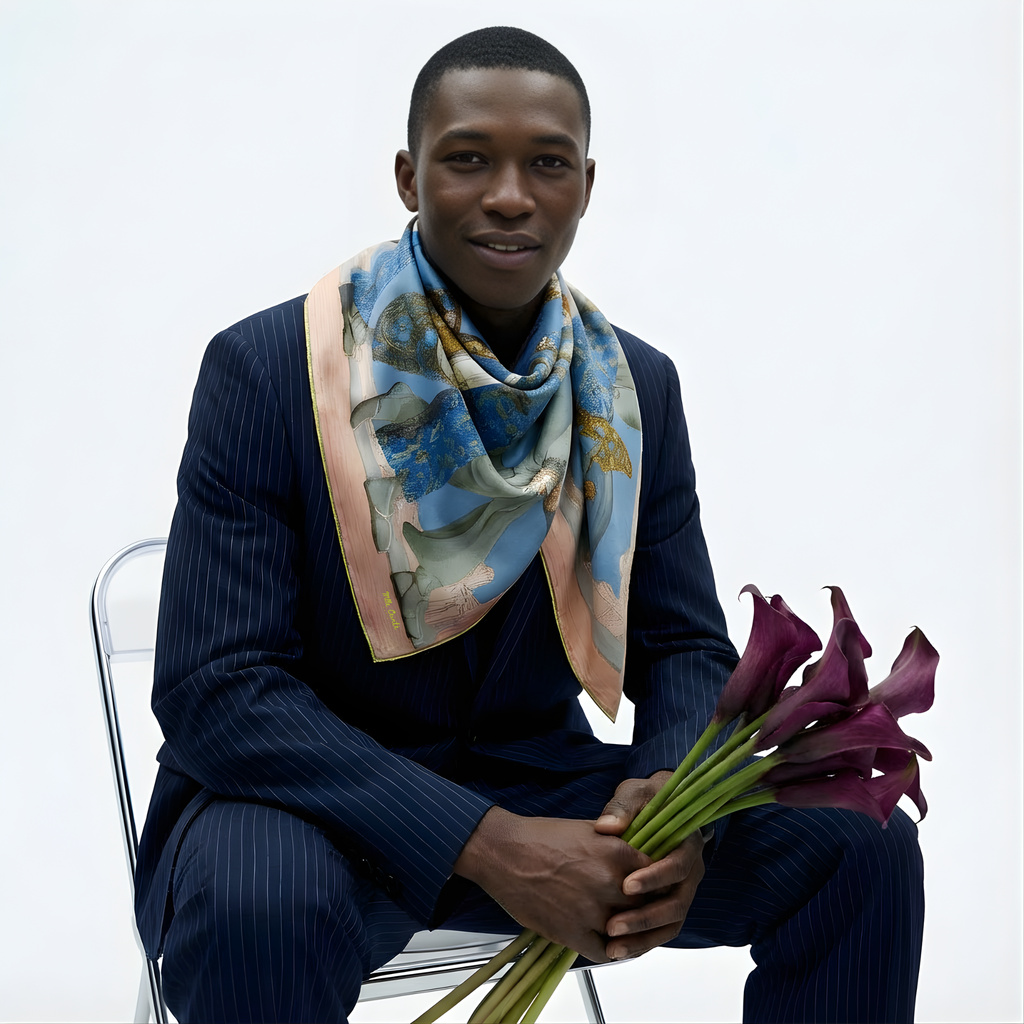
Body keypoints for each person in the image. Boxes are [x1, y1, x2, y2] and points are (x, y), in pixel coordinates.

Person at [135, 26, 924, 1024]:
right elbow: (217, 691)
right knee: (264, 902)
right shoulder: (270, 370)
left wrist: (667, 803)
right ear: (407, 175)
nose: (510, 194)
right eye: (467, 158)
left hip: (543, 790)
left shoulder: (631, 386)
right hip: (308, 805)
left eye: (546, 164)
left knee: (861, 841)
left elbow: (680, 642)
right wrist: (487, 841)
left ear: (585, 185)